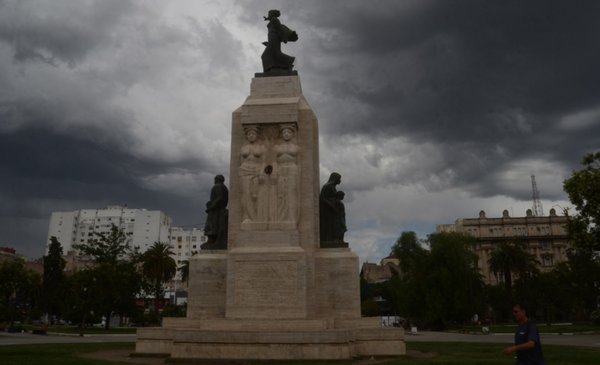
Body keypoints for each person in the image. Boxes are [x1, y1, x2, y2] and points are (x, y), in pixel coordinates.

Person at [201, 175, 228, 250]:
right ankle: (212, 241)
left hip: (216, 210)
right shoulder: (224, 187)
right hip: (220, 209)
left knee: (211, 225)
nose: (214, 180)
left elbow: (220, 197)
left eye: (215, 179)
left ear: (217, 179)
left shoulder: (217, 186)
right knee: (215, 225)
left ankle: (211, 241)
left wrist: (211, 206)